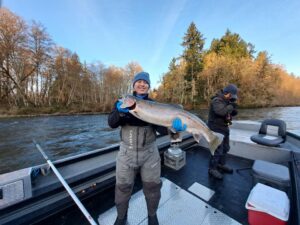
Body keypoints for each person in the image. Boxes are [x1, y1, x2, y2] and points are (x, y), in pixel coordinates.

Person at [108, 71, 186, 225]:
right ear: (134, 85)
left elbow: (163, 131)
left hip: (150, 153)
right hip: (126, 153)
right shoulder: (123, 102)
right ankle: (121, 217)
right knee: (122, 188)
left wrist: (174, 127)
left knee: (152, 187)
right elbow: (111, 123)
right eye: (139, 82)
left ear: (149, 86)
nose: (142, 84)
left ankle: (152, 216)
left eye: (145, 82)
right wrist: (120, 112)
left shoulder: (155, 105)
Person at [207, 84, 238, 180]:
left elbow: (229, 112)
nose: (231, 98)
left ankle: (221, 165)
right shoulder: (216, 100)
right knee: (217, 150)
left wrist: (233, 109)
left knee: (225, 148)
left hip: (224, 127)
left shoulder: (226, 101)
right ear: (226, 93)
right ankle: (212, 169)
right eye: (231, 95)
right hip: (216, 128)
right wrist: (230, 106)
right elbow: (220, 111)